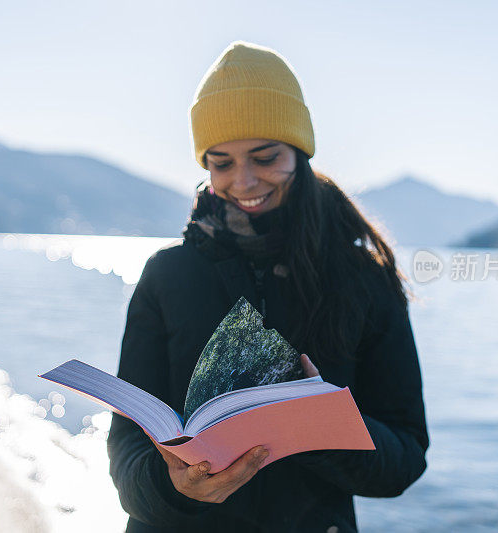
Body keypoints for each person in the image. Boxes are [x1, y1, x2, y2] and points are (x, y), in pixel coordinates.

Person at [107, 40, 428, 533]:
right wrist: (174, 487)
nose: (245, 181)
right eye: (222, 163)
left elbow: (405, 457)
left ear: (299, 150)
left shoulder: (364, 278)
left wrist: (317, 425)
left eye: (265, 157)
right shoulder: (167, 274)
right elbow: (127, 447)